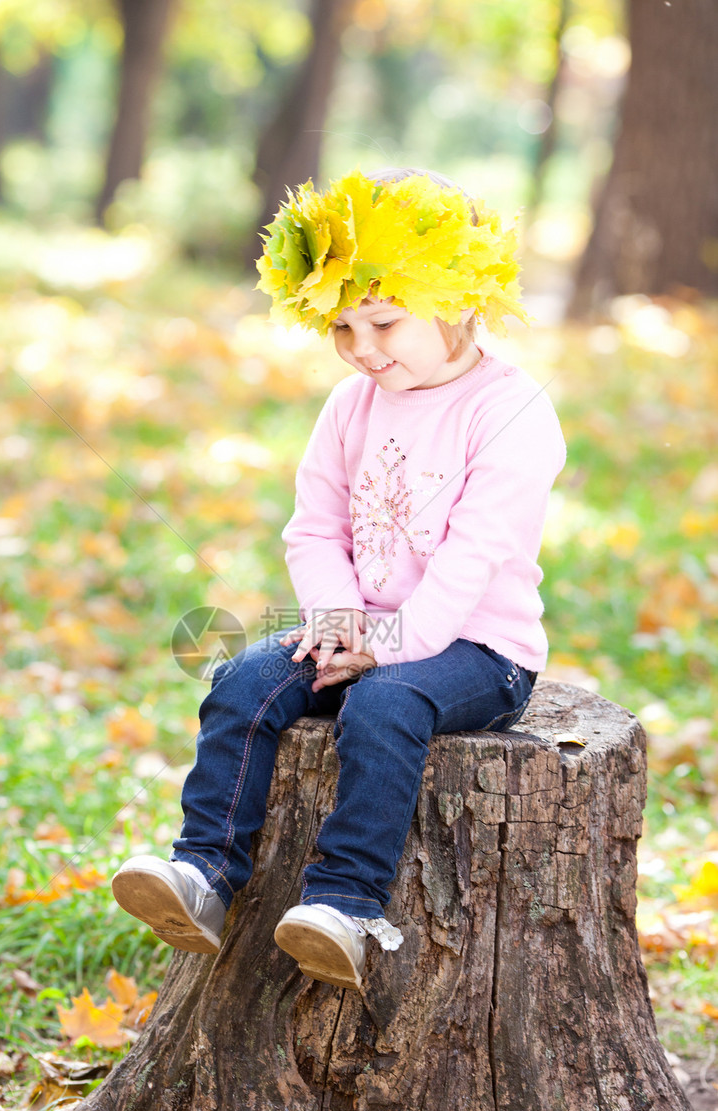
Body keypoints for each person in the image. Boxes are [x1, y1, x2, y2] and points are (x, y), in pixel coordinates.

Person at [111, 166, 566, 991]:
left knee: (385, 703)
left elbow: (472, 562)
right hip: (365, 624)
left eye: (385, 323)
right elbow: (316, 527)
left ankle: (346, 904)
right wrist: (336, 618)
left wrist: (385, 647)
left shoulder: (510, 412)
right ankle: (204, 875)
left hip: (474, 646)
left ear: (459, 298)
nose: (363, 349)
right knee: (248, 674)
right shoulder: (350, 405)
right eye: (344, 328)